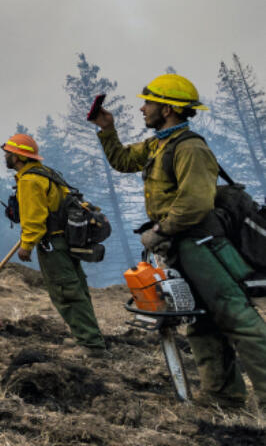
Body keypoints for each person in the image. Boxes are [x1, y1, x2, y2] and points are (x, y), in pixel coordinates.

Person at [91, 73, 266, 409]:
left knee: (236, 318)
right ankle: (222, 394)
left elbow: (195, 204)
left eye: (149, 102)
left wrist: (160, 231)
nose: (142, 109)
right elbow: (124, 161)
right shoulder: (161, 145)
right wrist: (106, 129)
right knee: (200, 320)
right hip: (181, 246)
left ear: (168, 109)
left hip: (202, 244)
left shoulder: (190, 148)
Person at [1, 133, 105, 353]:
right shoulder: (45, 173)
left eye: (8, 153)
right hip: (64, 240)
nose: (6, 156)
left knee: (66, 291)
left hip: (53, 243)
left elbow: (35, 219)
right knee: (75, 287)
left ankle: (91, 345)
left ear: (18, 157)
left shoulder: (30, 181)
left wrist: (26, 245)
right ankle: (86, 336)